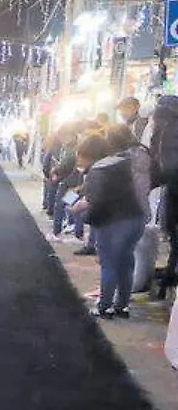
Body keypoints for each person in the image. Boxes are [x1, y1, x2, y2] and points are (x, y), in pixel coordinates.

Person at [73, 135, 144, 319]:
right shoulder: (122, 164)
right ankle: (122, 306)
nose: (79, 161)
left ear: (88, 154)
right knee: (126, 264)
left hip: (113, 223)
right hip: (135, 219)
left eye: (80, 156)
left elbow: (98, 204)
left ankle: (104, 307)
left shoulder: (98, 170)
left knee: (109, 265)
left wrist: (82, 213)